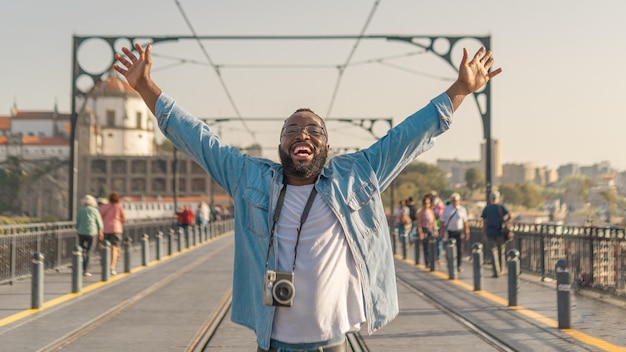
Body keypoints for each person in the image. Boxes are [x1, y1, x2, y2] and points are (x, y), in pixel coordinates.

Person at [114, 42, 501, 352]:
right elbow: (198, 138)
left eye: (313, 129)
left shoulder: (357, 175)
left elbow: (409, 137)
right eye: (292, 129)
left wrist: (460, 91)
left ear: (327, 145)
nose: (303, 133)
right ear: (280, 143)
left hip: (333, 341)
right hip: (273, 340)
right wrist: (146, 87)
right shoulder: (249, 178)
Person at [481, 191, 511, 278]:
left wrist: (484, 233)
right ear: (498, 198)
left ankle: (496, 271)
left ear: (490, 198)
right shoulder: (501, 207)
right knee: (501, 251)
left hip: (490, 232)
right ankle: (502, 269)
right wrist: (506, 222)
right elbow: (509, 215)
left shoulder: (487, 208)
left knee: (493, 252)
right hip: (500, 232)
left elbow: (484, 222)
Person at [439, 193, 469, 272]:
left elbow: (465, 222)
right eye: (453, 200)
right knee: (449, 248)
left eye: (456, 201)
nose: (455, 202)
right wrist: (442, 231)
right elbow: (442, 221)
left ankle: (459, 265)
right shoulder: (447, 209)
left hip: (459, 231)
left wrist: (467, 232)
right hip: (450, 231)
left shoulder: (462, 209)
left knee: (459, 249)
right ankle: (450, 263)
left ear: (459, 201)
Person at [75, 194, 103, 277]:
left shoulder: (81, 210)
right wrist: (100, 232)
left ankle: (80, 266)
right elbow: (99, 223)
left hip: (81, 232)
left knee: (81, 250)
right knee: (89, 251)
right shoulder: (95, 210)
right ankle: (86, 270)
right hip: (92, 232)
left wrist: (78, 228)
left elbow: (78, 221)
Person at [99, 192, 127, 275]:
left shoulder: (104, 207)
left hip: (105, 229)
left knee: (105, 247)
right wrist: (119, 222)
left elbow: (100, 217)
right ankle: (112, 266)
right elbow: (124, 219)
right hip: (116, 229)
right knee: (114, 248)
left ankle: (105, 264)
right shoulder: (119, 207)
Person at [416, 193, 438, 267]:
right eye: (425, 203)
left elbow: (434, 222)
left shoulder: (431, 211)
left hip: (430, 229)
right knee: (426, 247)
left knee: (432, 246)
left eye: (428, 203)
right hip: (424, 229)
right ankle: (427, 262)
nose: (426, 204)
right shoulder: (421, 212)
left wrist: (435, 230)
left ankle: (432, 261)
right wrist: (421, 232)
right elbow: (419, 223)